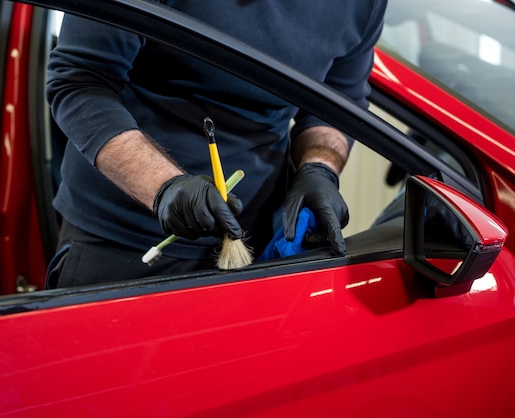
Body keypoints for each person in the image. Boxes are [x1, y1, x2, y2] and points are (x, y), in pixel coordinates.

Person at [45, 0, 388, 288]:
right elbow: (79, 81)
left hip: (256, 248)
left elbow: (340, 101)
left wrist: (319, 168)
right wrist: (163, 187)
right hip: (125, 243)